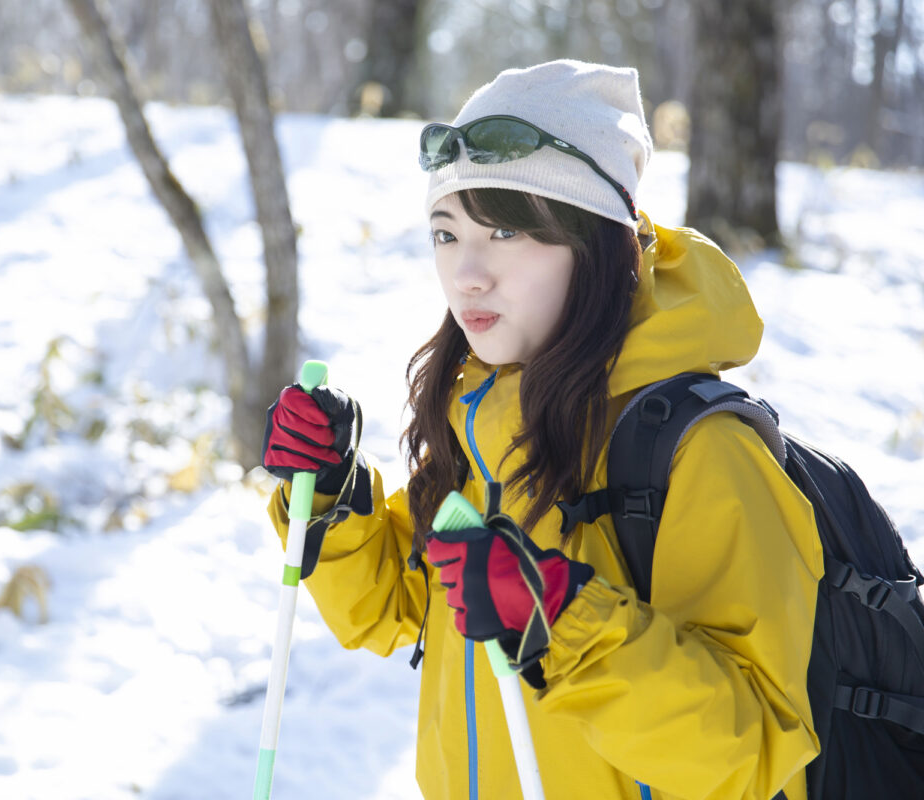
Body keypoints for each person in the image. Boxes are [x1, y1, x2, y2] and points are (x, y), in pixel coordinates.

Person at [262, 60, 823, 800]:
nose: (467, 274)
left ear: (593, 241)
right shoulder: (483, 420)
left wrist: (560, 619)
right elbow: (400, 611)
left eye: (504, 230)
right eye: (445, 232)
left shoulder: (701, 450)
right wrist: (332, 496)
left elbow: (750, 750)